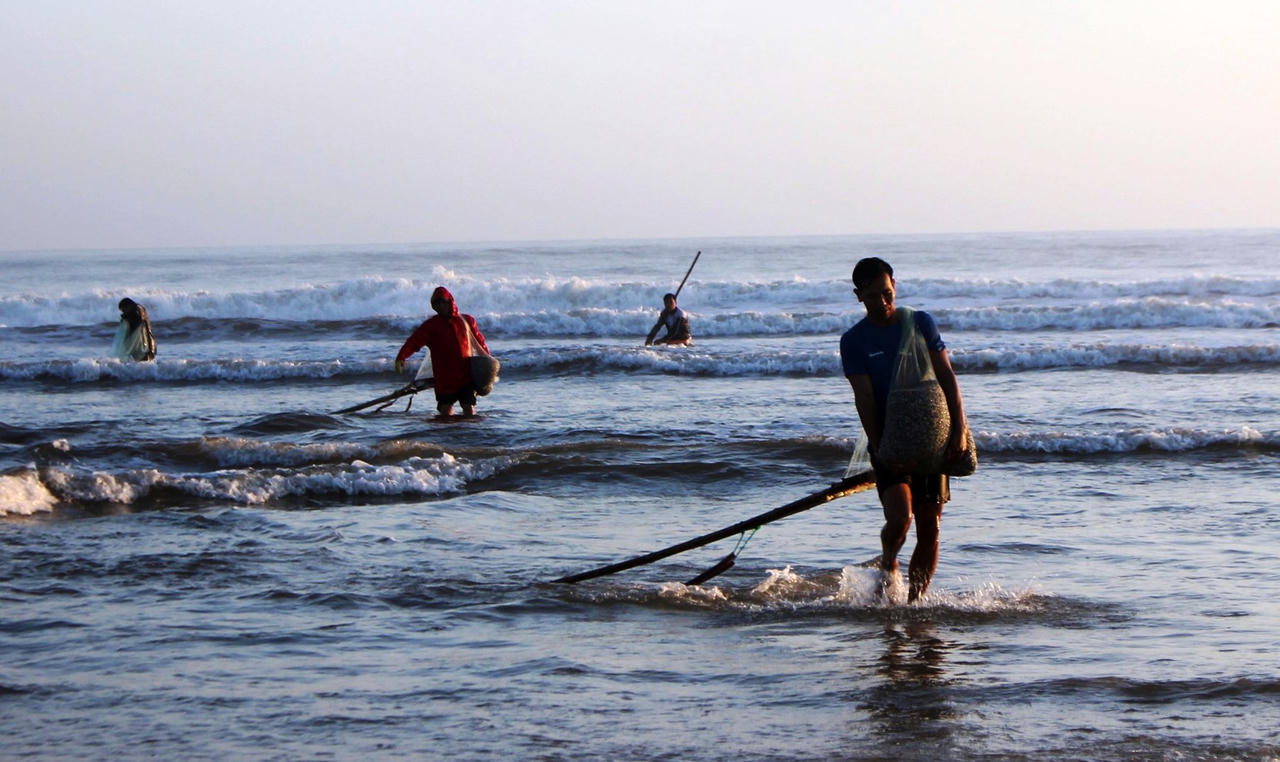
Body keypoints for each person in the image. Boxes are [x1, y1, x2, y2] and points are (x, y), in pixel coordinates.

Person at [839, 257, 968, 602]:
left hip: (931, 439)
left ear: (894, 284)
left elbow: (947, 379)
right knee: (900, 520)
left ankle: (914, 604)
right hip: (889, 442)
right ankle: (890, 562)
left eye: (886, 293)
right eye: (872, 297)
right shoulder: (854, 341)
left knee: (930, 526)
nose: (882, 302)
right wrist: (879, 448)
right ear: (858, 297)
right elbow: (864, 399)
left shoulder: (920, 323)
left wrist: (959, 431)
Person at [394, 286, 489, 417]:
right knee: (445, 411)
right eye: (436, 304)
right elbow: (414, 341)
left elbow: (480, 343)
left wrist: (488, 363)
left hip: (466, 375)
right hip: (444, 378)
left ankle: (468, 435)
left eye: (442, 302)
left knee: (469, 408)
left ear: (449, 301)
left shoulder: (466, 321)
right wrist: (401, 357)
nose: (440, 306)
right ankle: (446, 434)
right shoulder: (431, 326)